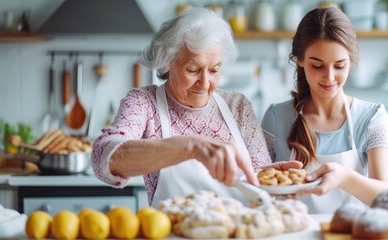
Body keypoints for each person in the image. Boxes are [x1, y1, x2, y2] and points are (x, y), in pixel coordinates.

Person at [91, 8, 278, 208]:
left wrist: (281, 179)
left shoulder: (237, 106)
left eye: (214, 70)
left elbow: (262, 181)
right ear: (167, 63)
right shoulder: (144, 103)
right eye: (192, 70)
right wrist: (190, 146)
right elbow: (102, 157)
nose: (205, 83)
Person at [261, 7, 388, 214]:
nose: (329, 77)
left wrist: (343, 177)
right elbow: (258, 187)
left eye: (339, 66)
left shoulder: (373, 117)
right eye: (317, 66)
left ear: (351, 61)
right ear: (300, 60)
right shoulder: (276, 117)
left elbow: (386, 198)